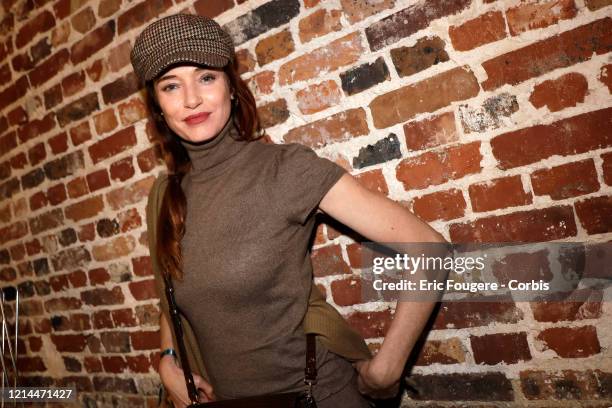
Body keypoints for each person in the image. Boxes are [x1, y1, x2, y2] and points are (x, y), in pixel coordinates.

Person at [130, 13, 445, 408]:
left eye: (206, 77)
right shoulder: (165, 196)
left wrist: (385, 371)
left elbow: (427, 246)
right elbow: (170, 296)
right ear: (158, 106)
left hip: (315, 396)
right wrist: (167, 362)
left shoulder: (285, 169)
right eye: (171, 86)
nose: (191, 99)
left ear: (230, 86)